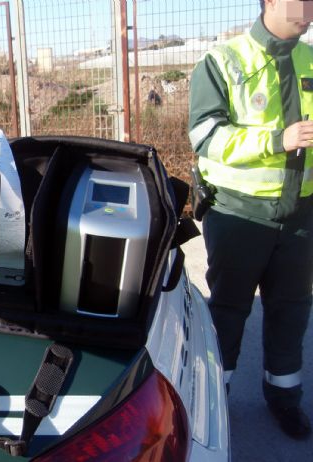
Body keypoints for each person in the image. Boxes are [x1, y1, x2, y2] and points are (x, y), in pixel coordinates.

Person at [189, 0, 313, 440]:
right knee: (228, 311)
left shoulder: (310, 57)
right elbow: (204, 134)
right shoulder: (223, 60)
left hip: (300, 216)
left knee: (292, 311)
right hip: (239, 213)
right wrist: (276, 140)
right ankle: (213, 400)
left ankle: (284, 401)